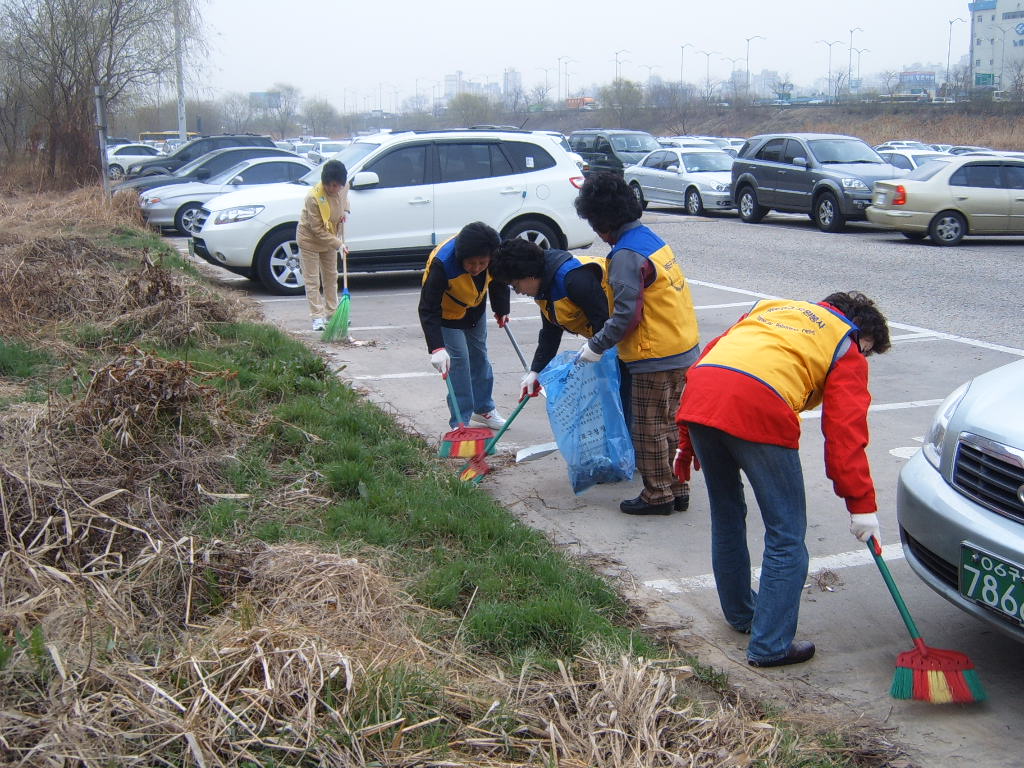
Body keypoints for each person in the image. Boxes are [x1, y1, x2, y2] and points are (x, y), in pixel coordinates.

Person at [674, 292, 891, 668]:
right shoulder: (846, 343)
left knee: (727, 516)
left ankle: (743, 614)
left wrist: (685, 442)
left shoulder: (770, 309)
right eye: (869, 349)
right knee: (786, 534)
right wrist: (862, 506)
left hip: (701, 399)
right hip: (759, 406)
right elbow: (845, 435)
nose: (865, 356)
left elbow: (709, 360)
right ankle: (770, 645)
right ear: (861, 331)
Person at [573, 172, 701, 516]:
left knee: (647, 429)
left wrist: (596, 345)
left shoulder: (626, 255)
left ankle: (657, 495)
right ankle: (678, 487)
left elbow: (627, 314)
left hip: (653, 354)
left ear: (604, 222)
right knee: (672, 423)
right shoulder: (651, 240)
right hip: (683, 346)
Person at [490, 238, 620, 401]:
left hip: (631, 334)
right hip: (608, 336)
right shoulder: (544, 285)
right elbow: (551, 331)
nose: (517, 291)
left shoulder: (574, 279)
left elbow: (604, 323)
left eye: (515, 285)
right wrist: (536, 371)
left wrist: (597, 353)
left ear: (528, 276)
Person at [419, 222, 511, 430]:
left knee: (480, 356)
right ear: (461, 257)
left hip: (475, 309)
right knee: (459, 361)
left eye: (482, 263)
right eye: (471, 263)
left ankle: (484, 408)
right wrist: (437, 347)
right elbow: (427, 307)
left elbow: (498, 281)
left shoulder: (494, 254)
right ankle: (460, 420)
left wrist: (501, 309)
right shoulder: (442, 264)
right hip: (446, 315)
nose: (477, 268)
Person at [297, 159, 349, 332]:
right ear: (325, 182)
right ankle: (317, 317)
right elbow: (317, 229)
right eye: (332, 186)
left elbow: (345, 200)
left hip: (331, 238)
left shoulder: (343, 187)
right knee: (312, 280)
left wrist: (345, 212)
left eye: (338, 186)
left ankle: (332, 313)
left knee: (331, 277)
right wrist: (339, 244)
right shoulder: (313, 198)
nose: (335, 189)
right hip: (309, 240)